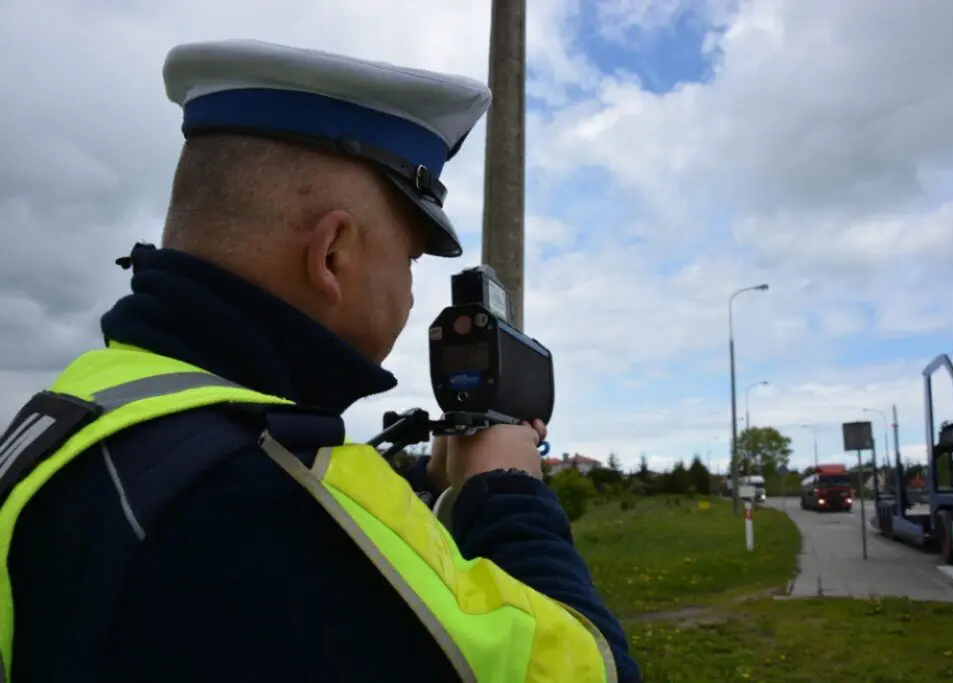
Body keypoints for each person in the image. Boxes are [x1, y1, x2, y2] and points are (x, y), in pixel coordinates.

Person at [0, 39, 640, 683]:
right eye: (412, 260)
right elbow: (591, 671)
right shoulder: (269, 491)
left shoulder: (81, 411)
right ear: (332, 252)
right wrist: (508, 493)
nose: (413, 293)